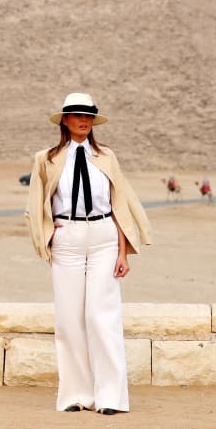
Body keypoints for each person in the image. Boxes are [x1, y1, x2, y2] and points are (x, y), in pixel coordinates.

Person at [24, 92, 152, 414]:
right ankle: (76, 395)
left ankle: (110, 397)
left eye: (89, 116)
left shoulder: (107, 156)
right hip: (67, 239)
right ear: (65, 120)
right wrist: (49, 235)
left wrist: (123, 253)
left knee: (102, 317)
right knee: (69, 320)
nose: (84, 120)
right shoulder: (46, 159)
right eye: (78, 115)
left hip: (104, 238)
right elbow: (35, 204)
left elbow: (118, 204)